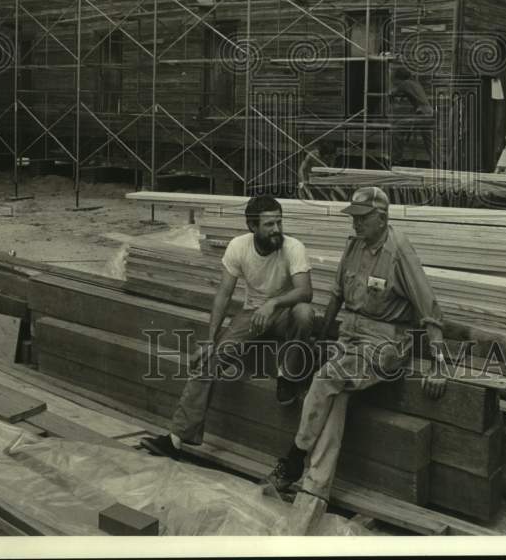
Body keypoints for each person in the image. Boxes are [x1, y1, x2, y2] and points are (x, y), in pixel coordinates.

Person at [266, 185, 447, 501]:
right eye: (354, 218)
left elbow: (429, 309)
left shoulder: (398, 251)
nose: (356, 224)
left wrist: (439, 365)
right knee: (336, 396)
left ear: (382, 217)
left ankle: (293, 458)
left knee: (326, 379)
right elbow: (337, 294)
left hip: (385, 344)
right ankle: (314, 488)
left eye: (363, 218)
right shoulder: (354, 245)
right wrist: (319, 339)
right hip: (350, 338)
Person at [140, 194, 316, 460]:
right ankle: (177, 438)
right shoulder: (238, 246)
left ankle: (289, 375)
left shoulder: (293, 247)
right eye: (269, 224)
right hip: (252, 315)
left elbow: (305, 291)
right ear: (252, 226)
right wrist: (211, 339)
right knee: (210, 359)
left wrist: (274, 304)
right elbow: (223, 294)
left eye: (279, 222)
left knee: (305, 313)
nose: (277, 229)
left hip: (283, 314)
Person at [389, 65, 435, 164]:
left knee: (396, 128)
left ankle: (396, 158)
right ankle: (437, 164)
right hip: (430, 113)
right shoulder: (415, 83)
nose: (394, 82)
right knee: (429, 142)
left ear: (399, 78)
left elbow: (391, 93)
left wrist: (392, 95)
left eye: (394, 80)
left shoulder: (405, 84)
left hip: (423, 114)